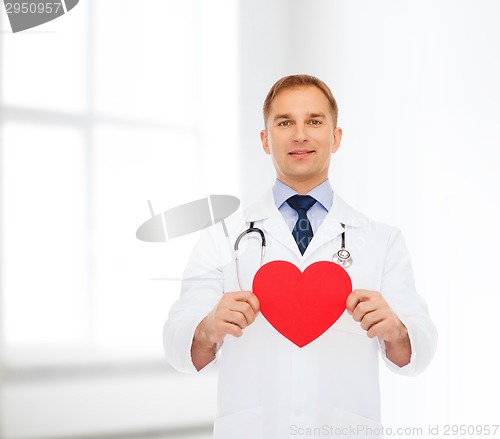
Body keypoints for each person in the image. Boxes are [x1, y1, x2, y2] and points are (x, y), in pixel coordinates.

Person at [163, 74, 437, 439]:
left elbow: (419, 350)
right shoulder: (222, 238)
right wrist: (207, 327)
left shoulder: (382, 240)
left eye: (314, 121)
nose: (300, 134)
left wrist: (396, 330)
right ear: (265, 140)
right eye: (285, 122)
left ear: (336, 137)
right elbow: (177, 344)